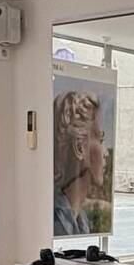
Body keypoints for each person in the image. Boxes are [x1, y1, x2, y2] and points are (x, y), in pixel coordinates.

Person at [53, 89, 110, 235]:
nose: (106, 152)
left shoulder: (80, 220)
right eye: (100, 139)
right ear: (79, 147)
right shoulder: (57, 223)